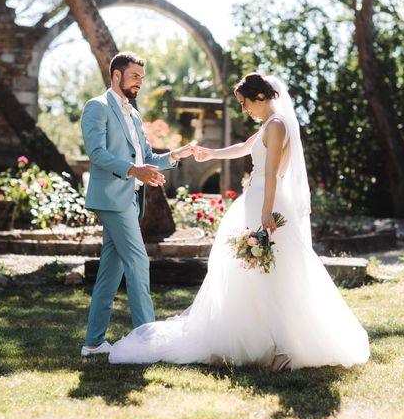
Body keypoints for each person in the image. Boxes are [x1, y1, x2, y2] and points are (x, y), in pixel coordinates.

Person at [109, 73, 369, 370]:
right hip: (256, 198)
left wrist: (266, 212)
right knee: (253, 272)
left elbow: (271, 173)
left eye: (245, 103)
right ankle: (263, 342)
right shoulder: (268, 126)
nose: (244, 109)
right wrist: (210, 154)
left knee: (274, 274)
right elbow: (243, 148)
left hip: (265, 201)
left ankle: (284, 348)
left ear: (260, 97)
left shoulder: (278, 125)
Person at [80, 51, 194, 356]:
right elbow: (97, 154)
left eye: (142, 78)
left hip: (129, 199)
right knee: (138, 260)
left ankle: (93, 342)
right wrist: (133, 171)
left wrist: (176, 155)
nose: (139, 83)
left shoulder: (134, 114)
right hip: (111, 198)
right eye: (134, 76)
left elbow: (147, 159)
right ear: (116, 75)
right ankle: (149, 342)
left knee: (110, 271)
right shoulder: (97, 107)